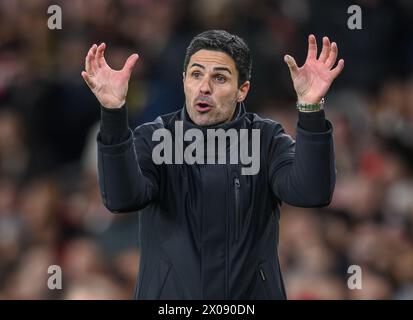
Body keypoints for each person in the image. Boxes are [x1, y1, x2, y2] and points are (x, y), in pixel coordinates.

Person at [81, 30, 344, 299]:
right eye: (196, 75)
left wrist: (311, 110)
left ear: (242, 90)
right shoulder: (154, 137)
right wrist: (113, 113)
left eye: (219, 77)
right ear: (184, 81)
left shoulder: (266, 139)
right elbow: (120, 199)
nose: (204, 87)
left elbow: (312, 193)